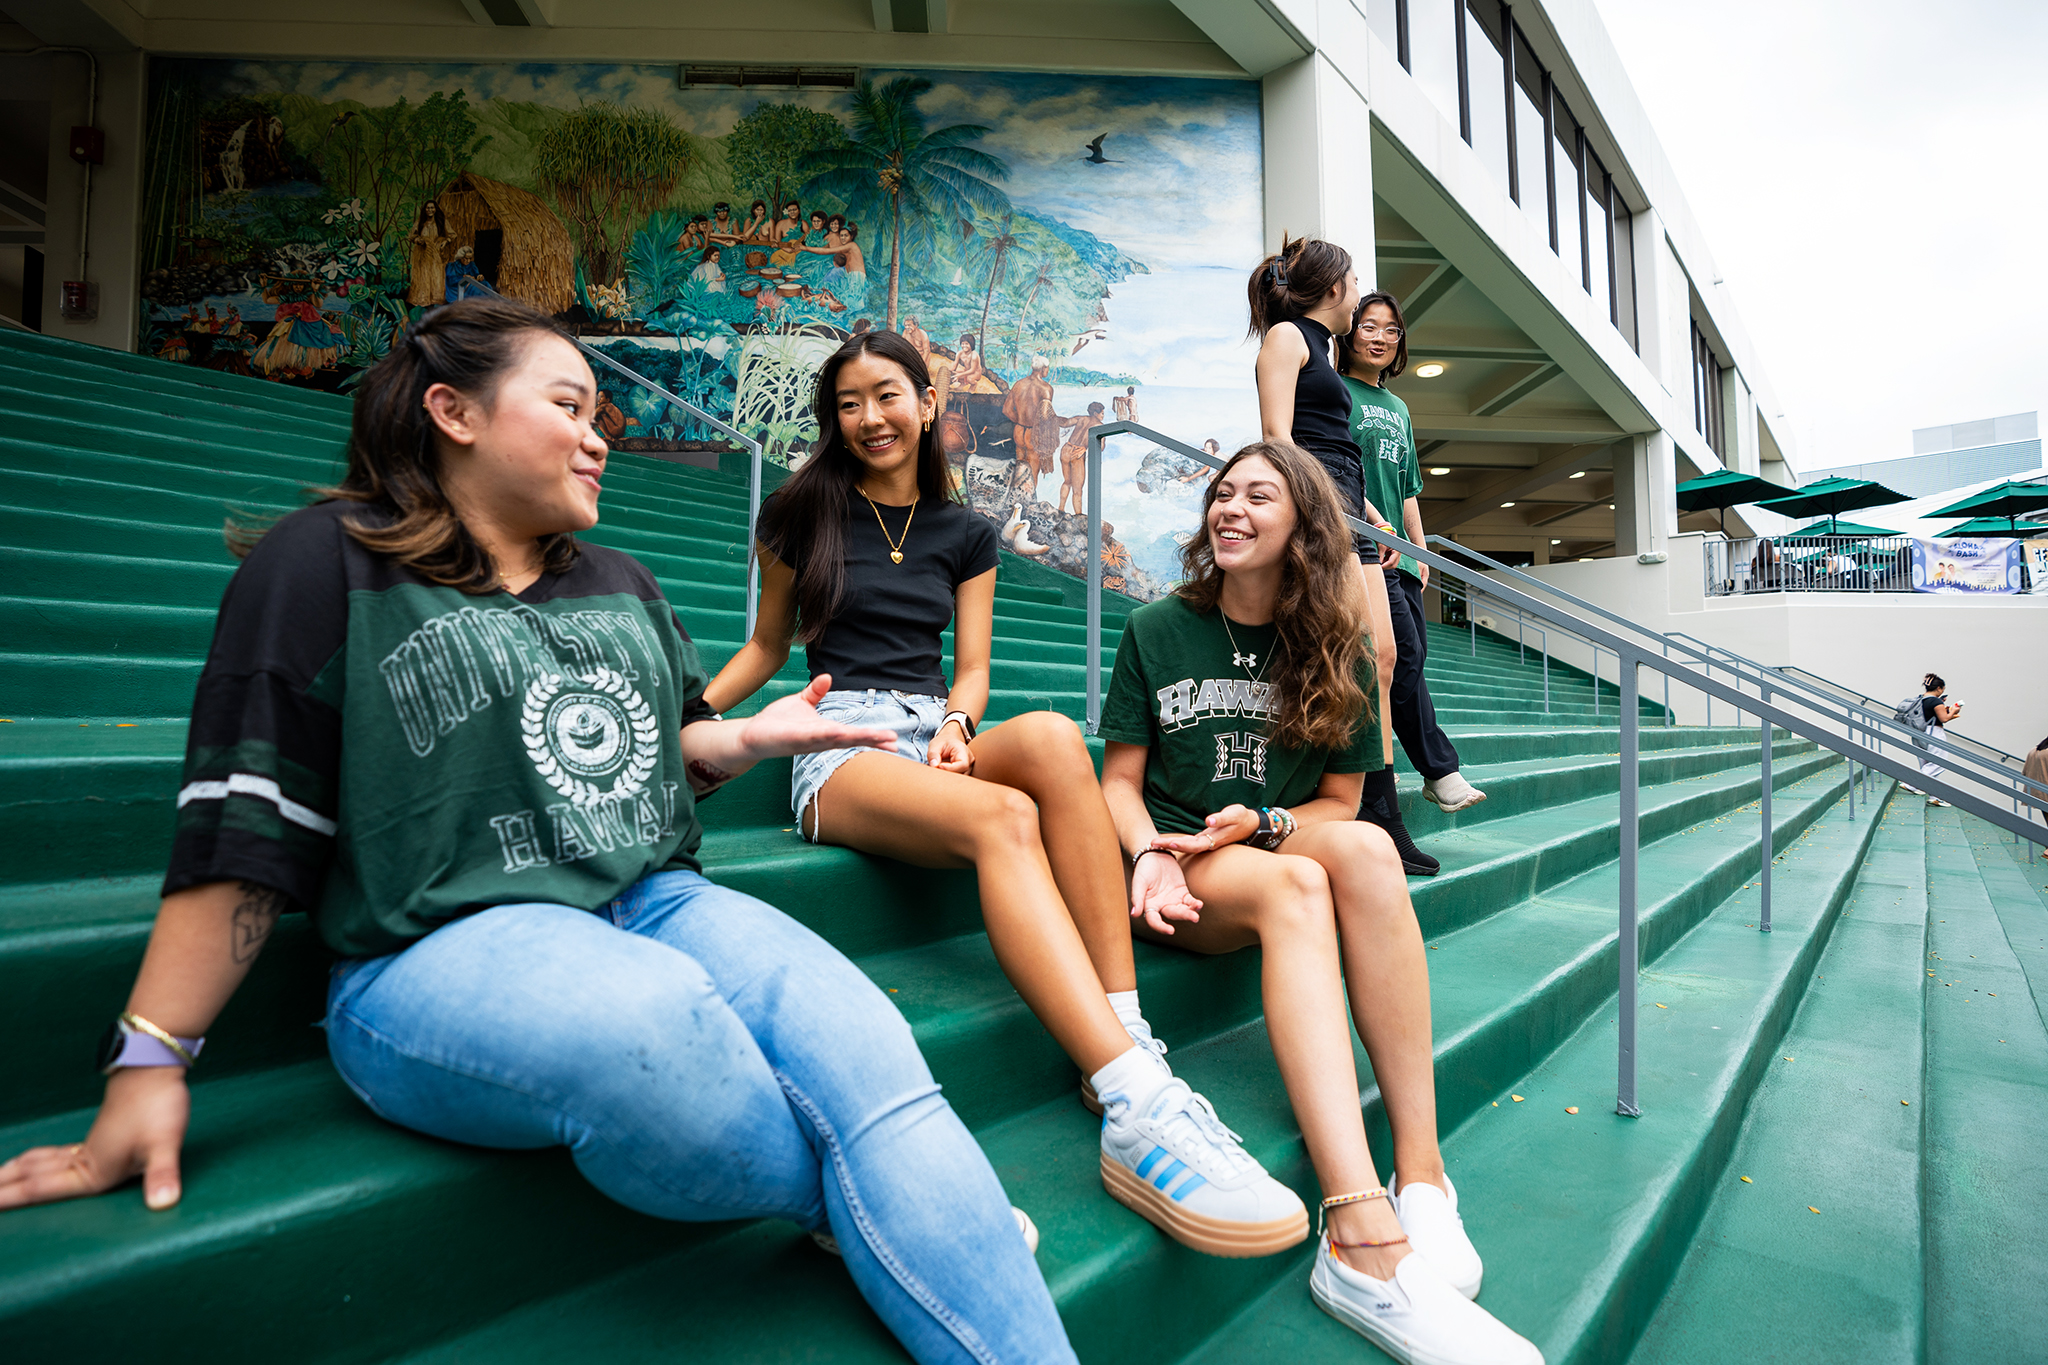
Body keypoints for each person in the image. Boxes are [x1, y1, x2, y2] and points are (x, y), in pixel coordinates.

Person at [0, 298, 1076, 1365]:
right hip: (441, 938)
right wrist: (150, 1058)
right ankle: (869, 1214)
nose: (600, 435)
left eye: (601, 412)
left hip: (655, 896)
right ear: (452, 413)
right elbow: (246, 817)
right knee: (653, 1025)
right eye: (569, 405)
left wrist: (735, 745)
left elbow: (659, 753)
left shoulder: (619, 583)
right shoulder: (324, 560)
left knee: (870, 1049)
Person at [706, 330, 1306, 1263]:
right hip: (838, 741)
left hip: (927, 725)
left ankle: (1125, 1026)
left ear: (929, 399)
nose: (870, 417)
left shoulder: (966, 533)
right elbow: (764, 647)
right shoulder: (797, 513)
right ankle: (1133, 1100)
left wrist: (955, 722)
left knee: (1060, 740)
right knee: (1004, 815)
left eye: (888, 395)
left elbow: (974, 668)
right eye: (850, 402)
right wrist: (696, 720)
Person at [1096, 441, 1540, 1365]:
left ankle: (1421, 1172)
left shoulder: (1336, 645)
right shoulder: (1156, 628)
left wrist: (1256, 820)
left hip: (1260, 836)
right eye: (1222, 493)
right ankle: (1357, 1231)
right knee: (1306, 879)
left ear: (1303, 521)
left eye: (1259, 494)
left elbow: (1338, 807)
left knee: (1372, 847)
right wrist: (1152, 853)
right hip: (1183, 865)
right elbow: (1119, 780)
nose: (1231, 507)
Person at [1248, 238, 1422, 874]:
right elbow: (1277, 439)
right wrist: (1331, 515)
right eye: (1354, 283)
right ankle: (1374, 814)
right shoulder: (1286, 338)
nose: (1358, 293)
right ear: (1333, 290)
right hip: (1320, 515)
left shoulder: (1320, 347)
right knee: (1356, 656)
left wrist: (1375, 516)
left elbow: (1337, 446)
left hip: (1351, 511)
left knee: (1384, 655)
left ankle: (1381, 807)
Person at [1340, 293, 1486, 834]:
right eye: (1369, 326)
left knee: (1412, 658)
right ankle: (1437, 770)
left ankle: (1425, 773)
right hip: (1363, 548)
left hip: (1401, 553)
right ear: (1349, 332)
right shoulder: (1335, 392)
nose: (1380, 337)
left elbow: (1408, 490)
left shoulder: (1398, 408)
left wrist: (1422, 553)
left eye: (1392, 331)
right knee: (1395, 659)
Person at [1898, 672, 1962, 805]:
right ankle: (1911, 784)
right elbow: (1944, 718)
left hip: (1918, 733)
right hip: (1934, 733)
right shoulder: (1935, 701)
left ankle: (1934, 796)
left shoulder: (1920, 699)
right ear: (1938, 688)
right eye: (1942, 689)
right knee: (1939, 762)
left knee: (1928, 765)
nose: (1942, 692)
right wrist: (1953, 712)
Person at [1056, 401, 1106, 516]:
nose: (1103, 416)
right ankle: (1078, 515)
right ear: (1095, 413)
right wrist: (1085, 448)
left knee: (1067, 481)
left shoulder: (1081, 418)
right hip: (1077, 453)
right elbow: (1101, 447)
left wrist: (1052, 416)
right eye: (1102, 413)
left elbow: (1064, 423)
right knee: (1077, 490)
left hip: (1066, 449)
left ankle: (1061, 508)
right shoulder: (1100, 426)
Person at [407, 199, 451, 307]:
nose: (430, 210)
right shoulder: (421, 222)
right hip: (422, 253)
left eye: (432, 208)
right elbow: (411, 236)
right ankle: (422, 300)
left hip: (436, 254)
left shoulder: (441, 222)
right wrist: (418, 240)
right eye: (428, 208)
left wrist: (445, 242)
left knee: (436, 275)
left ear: (435, 209)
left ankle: (436, 300)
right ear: (425, 210)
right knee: (424, 275)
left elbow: (451, 235)